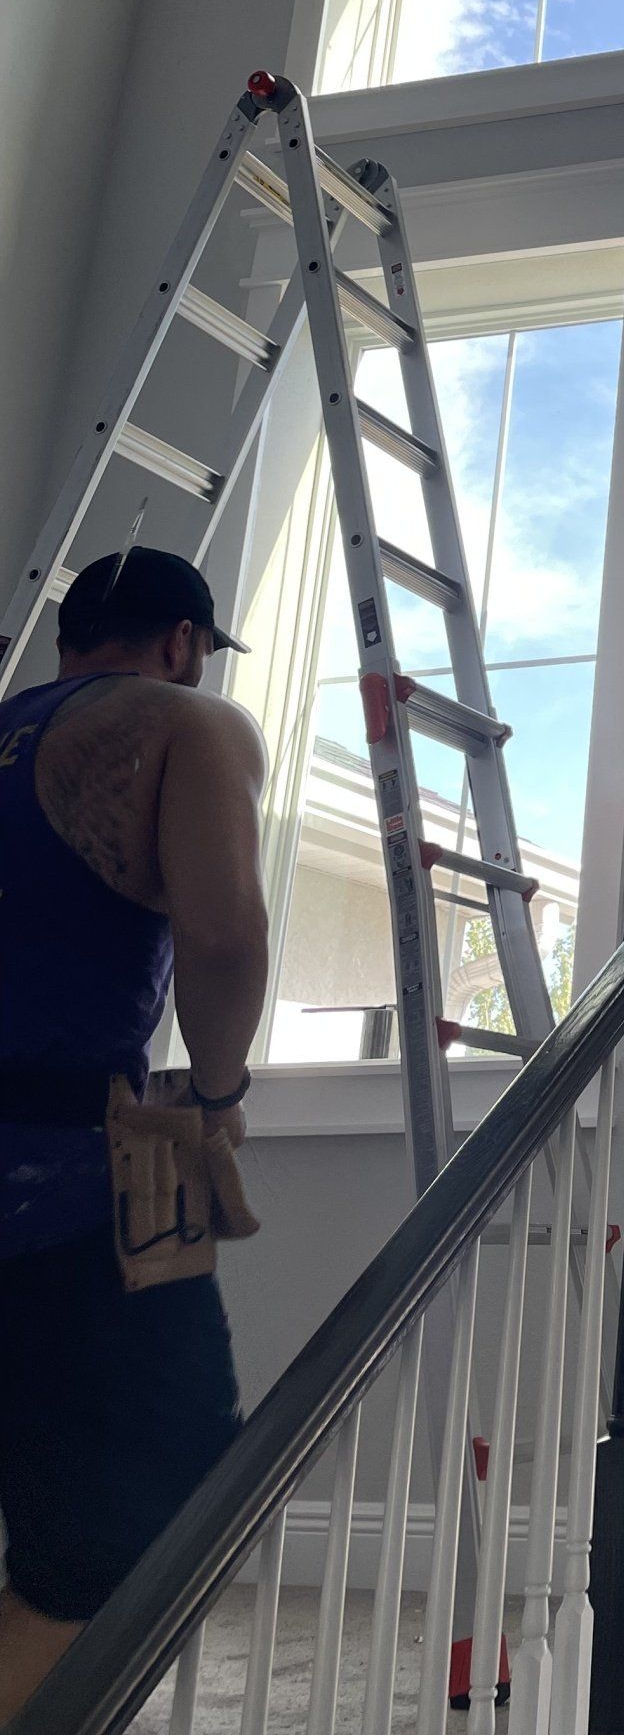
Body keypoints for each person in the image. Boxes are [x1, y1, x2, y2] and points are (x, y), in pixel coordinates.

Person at [0, 548, 269, 1718]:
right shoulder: (186, 725)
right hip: (62, 1189)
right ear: (182, 640)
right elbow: (219, 939)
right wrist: (213, 1096)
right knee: (149, 1515)